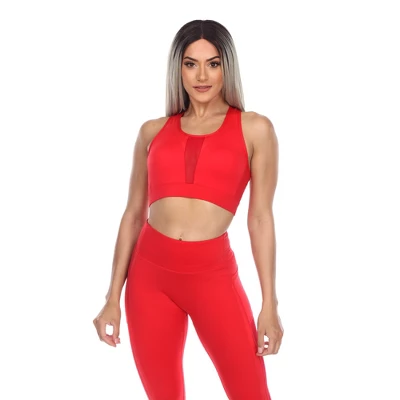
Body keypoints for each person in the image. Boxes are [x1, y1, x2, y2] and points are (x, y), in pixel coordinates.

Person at [93, 19, 283, 400]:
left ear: (227, 67)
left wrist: (269, 303)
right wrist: (112, 296)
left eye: (213, 64)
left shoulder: (255, 129)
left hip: (212, 277)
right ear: (177, 68)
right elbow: (133, 215)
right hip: (149, 279)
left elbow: (260, 218)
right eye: (191, 64)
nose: (202, 76)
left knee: (251, 392)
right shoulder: (152, 132)